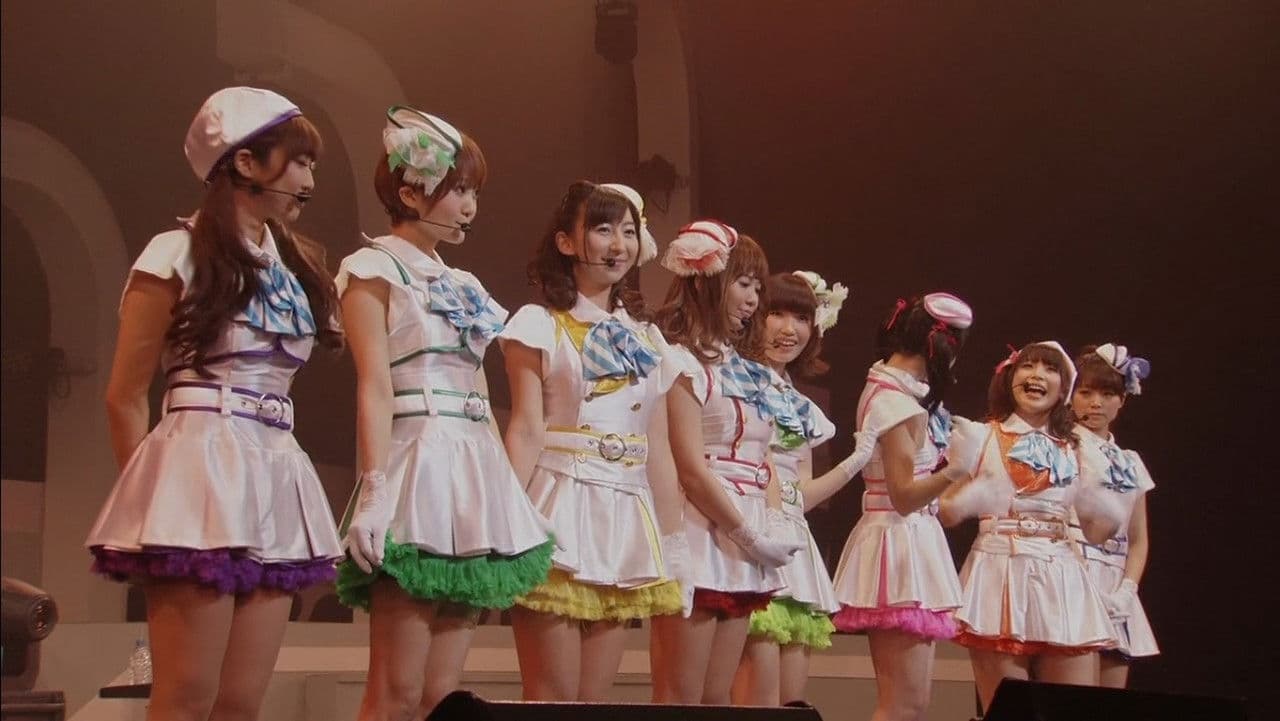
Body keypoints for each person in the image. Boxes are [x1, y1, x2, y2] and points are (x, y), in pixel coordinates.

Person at [87, 86, 343, 721]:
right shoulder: (173, 253)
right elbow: (124, 394)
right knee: (186, 697)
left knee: (240, 703)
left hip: (276, 469)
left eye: (312, 164)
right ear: (245, 163)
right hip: (199, 469)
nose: (310, 180)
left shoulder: (293, 269)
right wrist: (155, 502)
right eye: (299, 161)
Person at [333, 106, 554, 721]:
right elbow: (374, 385)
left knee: (441, 698)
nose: (469, 206)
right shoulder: (372, 268)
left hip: (471, 474)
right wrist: (374, 489)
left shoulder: (465, 283)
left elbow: (479, 389)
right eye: (458, 190)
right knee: (396, 691)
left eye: (473, 193)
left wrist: (505, 493)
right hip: (417, 466)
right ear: (411, 192)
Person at [499, 180, 686, 701]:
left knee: (594, 703)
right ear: (566, 241)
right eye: (603, 229)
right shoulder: (540, 324)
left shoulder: (647, 338)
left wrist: (675, 545)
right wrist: (505, 520)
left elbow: (658, 449)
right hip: (557, 508)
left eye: (628, 231)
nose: (618, 244)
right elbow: (527, 428)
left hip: (624, 520)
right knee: (551, 698)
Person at [648, 221, 803, 705]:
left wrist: (773, 523)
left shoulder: (748, 370)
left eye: (758, 287)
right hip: (698, 534)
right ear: (706, 281)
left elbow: (766, 456)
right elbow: (690, 468)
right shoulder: (678, 361)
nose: (753, 299)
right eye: (743, 283)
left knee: (717, 699)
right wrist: (750, 535)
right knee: (680, 697)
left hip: (742, 545)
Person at [939, 341, 1138, 712]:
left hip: (1063, 579)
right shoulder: (980, 437)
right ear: (1011, 377)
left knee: (1073, 708)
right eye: (1028, 366)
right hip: (998, 574)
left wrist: (1108, 512)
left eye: (1050, 369)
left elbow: (1095, 533)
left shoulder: (1078, 449)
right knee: (1008, 710)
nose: (1037, 375)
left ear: (1064, 389)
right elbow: (946, 512)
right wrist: (971, 499)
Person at [732, 271, 875, 706]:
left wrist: (856, 461)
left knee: (791, 702)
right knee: (756, 700)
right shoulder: (735, 379)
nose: (788, 329)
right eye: (776, 313)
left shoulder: (799, 401)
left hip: (794, 549)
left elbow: (803, 494)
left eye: (801, 318)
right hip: (750, 536)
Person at [829, 293, 974, 721]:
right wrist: (956, 470)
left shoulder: (891, 392)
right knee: (902, 704)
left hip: (909, 539)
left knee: (912, 704)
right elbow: (904, 496)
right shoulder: (894, 403)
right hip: (898, 542)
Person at [1070, 343, 1158, 688]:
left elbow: (1138, 539)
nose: (1096, 403)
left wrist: (1127, 591)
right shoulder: (1063, 449)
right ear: (1071, 397)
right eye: (1086, 392)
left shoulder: (1130, 461)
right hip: (1074, 577)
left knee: (1111, 703)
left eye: (1107, 394)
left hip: (1116, 587)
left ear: (1122, 400)